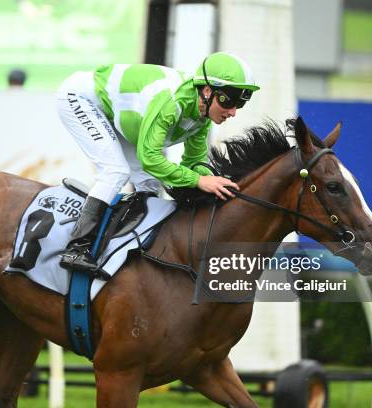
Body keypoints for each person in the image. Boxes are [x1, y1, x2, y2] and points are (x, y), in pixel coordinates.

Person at [56, 52, 260, 271]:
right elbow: (150, 158)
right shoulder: (171, 104)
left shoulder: (203, 119)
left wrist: (210, 180)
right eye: (227, 100)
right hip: (81, 98)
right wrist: (199, 181)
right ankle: (77, 248)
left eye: (240, 102)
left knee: (150, 186)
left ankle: (126, 246)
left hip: (120, 118)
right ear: (207, 91)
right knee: (115, 171)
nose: (233, 111)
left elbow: (193, 162)